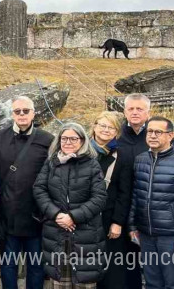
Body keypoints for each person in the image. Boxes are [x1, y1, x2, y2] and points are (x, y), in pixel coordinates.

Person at [128, 116, 174, 289]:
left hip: (171, 236)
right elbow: (136, 195)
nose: (152, 135)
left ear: (170, 136)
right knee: (151, 281)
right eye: (150, 131)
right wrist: (132, 226)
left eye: (158, 132)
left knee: (173, 283)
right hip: (146, 233)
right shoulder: (140, 160)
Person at [0, 96, 53, 289]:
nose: (22, 114)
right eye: (17, 111)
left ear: (34, 113)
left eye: (26, 111)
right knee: (8, 265)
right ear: (12, 114)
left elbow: (52, 176)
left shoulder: (47, 139)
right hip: (7, 216)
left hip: (36, 215)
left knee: (36, 265)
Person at [34, 122, 108, 288]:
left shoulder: (91, 164)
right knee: (61, 282)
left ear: (82, 141)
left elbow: (99, 197)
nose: (68, 142)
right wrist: (56, 215)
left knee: (84, 282)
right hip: (56, 232)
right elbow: (39, 190)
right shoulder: (51, 163)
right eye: (64, 138)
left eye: (73, 138)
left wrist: (73, 217)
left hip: (85, 234)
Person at [88, 111, 133, 289]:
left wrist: (118, 222)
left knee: (112, 266)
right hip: (83, 217)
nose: (106, 130)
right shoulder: (81, 150)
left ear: (117, 132)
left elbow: (124, 192)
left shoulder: (122, 155)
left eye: (111, 127)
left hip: (108, 218)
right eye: (102, 125)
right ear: (94, 126)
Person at [118, 93, 151, 289]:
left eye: (140, 109)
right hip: (120, 207)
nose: (135, 112)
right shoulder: (116, 135)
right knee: (125, 261)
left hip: (149, 208)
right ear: (125, 111)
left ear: (148, 112)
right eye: (131, 108)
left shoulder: (156, 135)